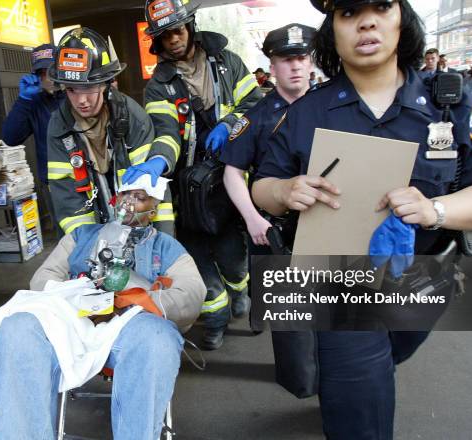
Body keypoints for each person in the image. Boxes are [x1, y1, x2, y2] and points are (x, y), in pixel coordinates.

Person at [252, 1, 472, 438]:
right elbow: (263, 186)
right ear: (333, 30)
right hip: (340, 280)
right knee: (358, 397)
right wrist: (284, 191)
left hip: (428, 275)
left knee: (390, 352)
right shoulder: (308, 111)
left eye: (381, 6)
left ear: (401, 18)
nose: (366, 21)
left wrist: (435, 210)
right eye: (348, 12)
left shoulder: (451, 101)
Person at [0, 176, 206, 440]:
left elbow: (192, 293)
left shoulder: (166, 247)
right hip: (71, 321)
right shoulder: (82, 236)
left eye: (140, 197)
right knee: (17, 327)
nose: (129, 202)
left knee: (157, 339)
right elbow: (43, 279)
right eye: (126, 194)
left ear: (154, 209)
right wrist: (75, 296)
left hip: (130, 326)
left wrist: (137, 301)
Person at [135, 0, 262, 349]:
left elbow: (254, 105)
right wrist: (159, 161)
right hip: (186, 184)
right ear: (157, 41)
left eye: (177, 30)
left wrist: (228, 124)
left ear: (190, 26)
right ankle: (216, 320)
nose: (173, 39)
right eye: (164, 35)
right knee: (197, 255)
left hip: (228, 178)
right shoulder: (158, 85)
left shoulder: (227, 63)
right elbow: (165, 132)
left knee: (233, 254)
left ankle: (241, 291)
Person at [45, 27, 173, 235]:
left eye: (88, 88)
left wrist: (163, 243)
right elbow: (68, 201)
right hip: (90, 228)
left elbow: (154, 192)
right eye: (71, 90)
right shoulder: (58, 127)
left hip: (137, 227)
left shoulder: (132, 117)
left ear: (105, 84)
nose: (81, 100)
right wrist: (87, 247)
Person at [222, 23, 315, 251]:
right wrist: (252, 219)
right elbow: (232, 172)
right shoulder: (256, 118)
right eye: (286, 60)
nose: (295, 67)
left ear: (310, 63)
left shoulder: (330, 107)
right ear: (272, 68)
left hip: (322, 221)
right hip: (273, 230)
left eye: (301, 58)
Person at [2, 44, 64, 232]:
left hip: (85, 177)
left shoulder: (75, 94)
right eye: (42, 72)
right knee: (66, 237)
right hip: (52, 182)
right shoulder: (34, 102)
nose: (48, 76)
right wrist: (23, 101)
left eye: (52, 70)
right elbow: (10, 137)